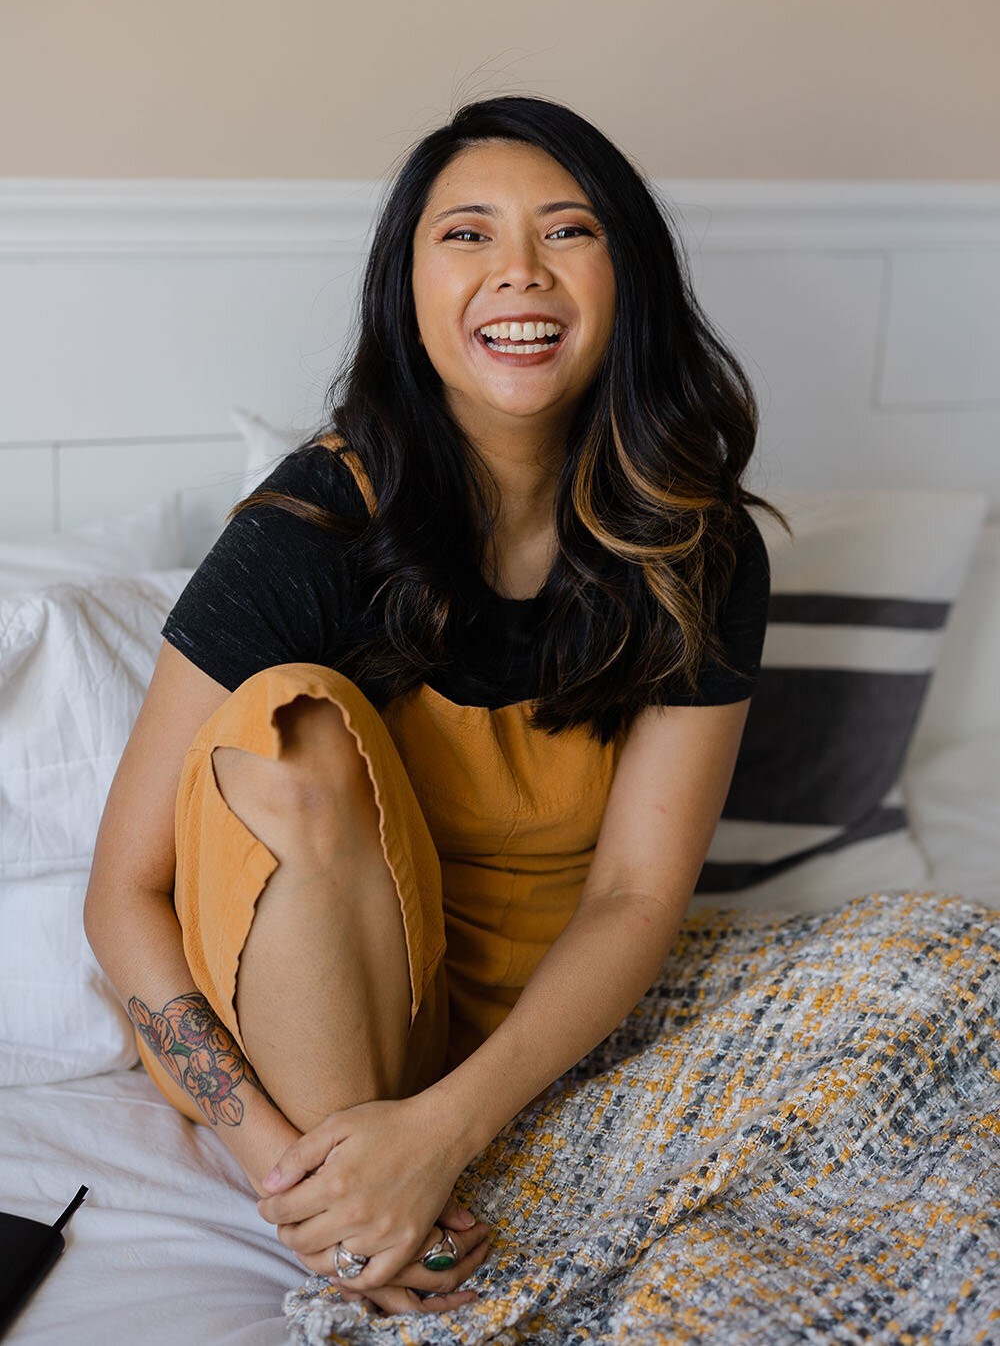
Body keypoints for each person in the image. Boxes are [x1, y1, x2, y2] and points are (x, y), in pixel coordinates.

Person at [84, 94, 781, 1320]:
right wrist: (297, 1177)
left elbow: (635, 895)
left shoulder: (693, 541)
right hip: (303, 1010)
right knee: (292, 720)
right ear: (407, 287)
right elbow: (122, 893)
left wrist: (447, 1130)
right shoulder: (309, 529)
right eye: (466, 234)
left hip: (527, 1018)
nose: (518, 270)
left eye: (568, 231)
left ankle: (402, 1170)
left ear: (629, 277)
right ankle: (372, 1229)